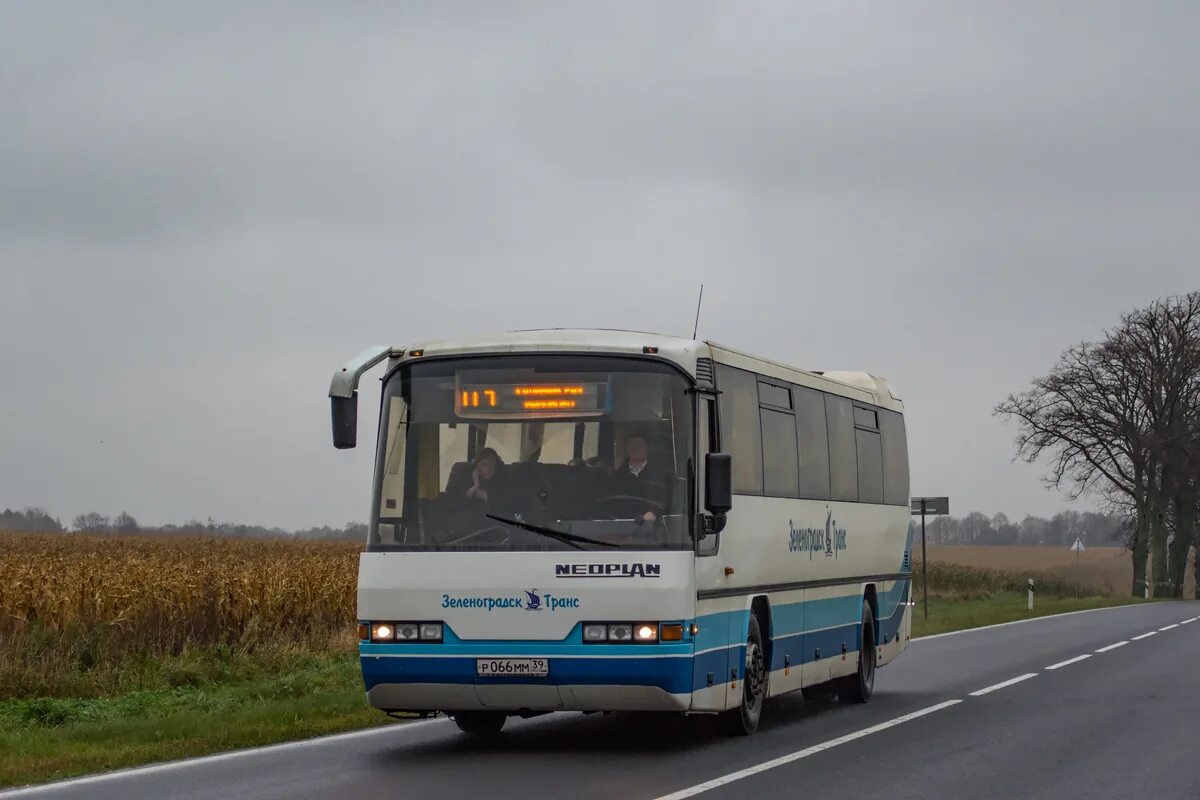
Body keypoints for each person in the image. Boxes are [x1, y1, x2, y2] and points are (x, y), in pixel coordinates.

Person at [608, 432, 671, 522]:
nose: (635, 448)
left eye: (639, 445)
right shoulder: (616, 476)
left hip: (652, 528)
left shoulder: (659, 475)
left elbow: (666, 502)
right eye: (631, 445)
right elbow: (610, 503)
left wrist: (654, 513)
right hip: (621, 526)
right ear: (626, 449)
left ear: (648, 449)